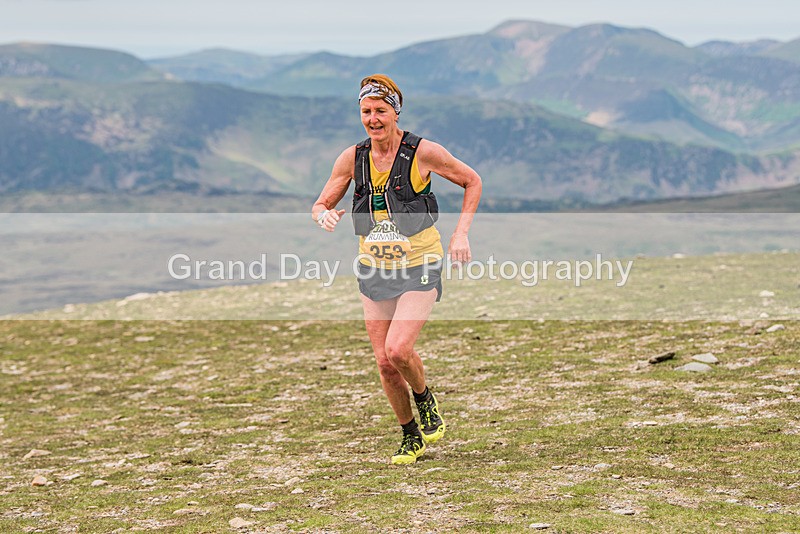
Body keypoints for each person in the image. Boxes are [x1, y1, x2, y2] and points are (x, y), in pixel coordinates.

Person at [311, 74, 482, 464]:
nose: (373, 119)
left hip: (420, 261)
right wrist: (322, 215)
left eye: (381, 111)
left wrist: (461, 235)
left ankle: (425, 399)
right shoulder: (351, 158)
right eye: (366, 111)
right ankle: (410, 435)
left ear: (395, 112)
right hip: (374, 267)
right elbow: (320, 202)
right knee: (386, 364)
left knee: (399, 349)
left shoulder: (423, 152)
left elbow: (472, 181)